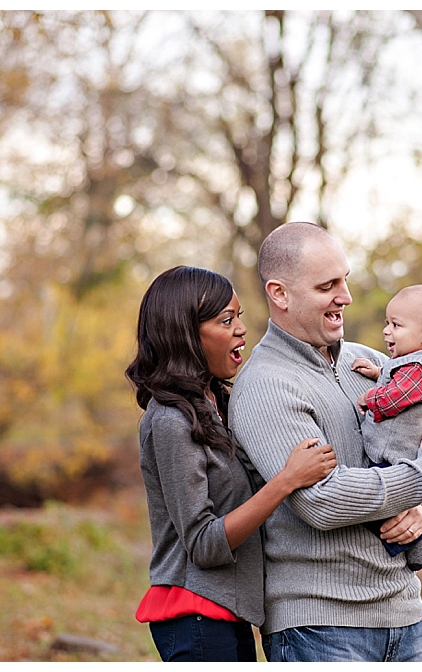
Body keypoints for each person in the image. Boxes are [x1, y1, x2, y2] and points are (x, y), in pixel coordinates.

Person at [229, 222, 422, 662]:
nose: (345, 297)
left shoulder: (374, 363)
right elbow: (323, 502)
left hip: (406, 616)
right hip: (321, 627)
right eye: (327, 286)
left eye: (345, 280)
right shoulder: (266, 386)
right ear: (280, 294)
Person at [125, 265, 337, 662]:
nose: (241, 329)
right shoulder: (170, 419)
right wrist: (286, 481)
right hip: (195, 615)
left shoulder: (219, 405)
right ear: (186, 334)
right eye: (226, 320)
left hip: (228, 613)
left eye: (238, 316)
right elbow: (204, 543)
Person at [350, 283, 422, 572]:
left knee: (389, 515)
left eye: (396, 325)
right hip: (407, 456)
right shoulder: (415, 361)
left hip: (401, 456)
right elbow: (398, 380)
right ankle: (413, 544)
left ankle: (414, 549)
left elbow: (395, 398)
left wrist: (368, 397)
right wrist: (377, 372)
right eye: (387, 323)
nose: (387, 331)